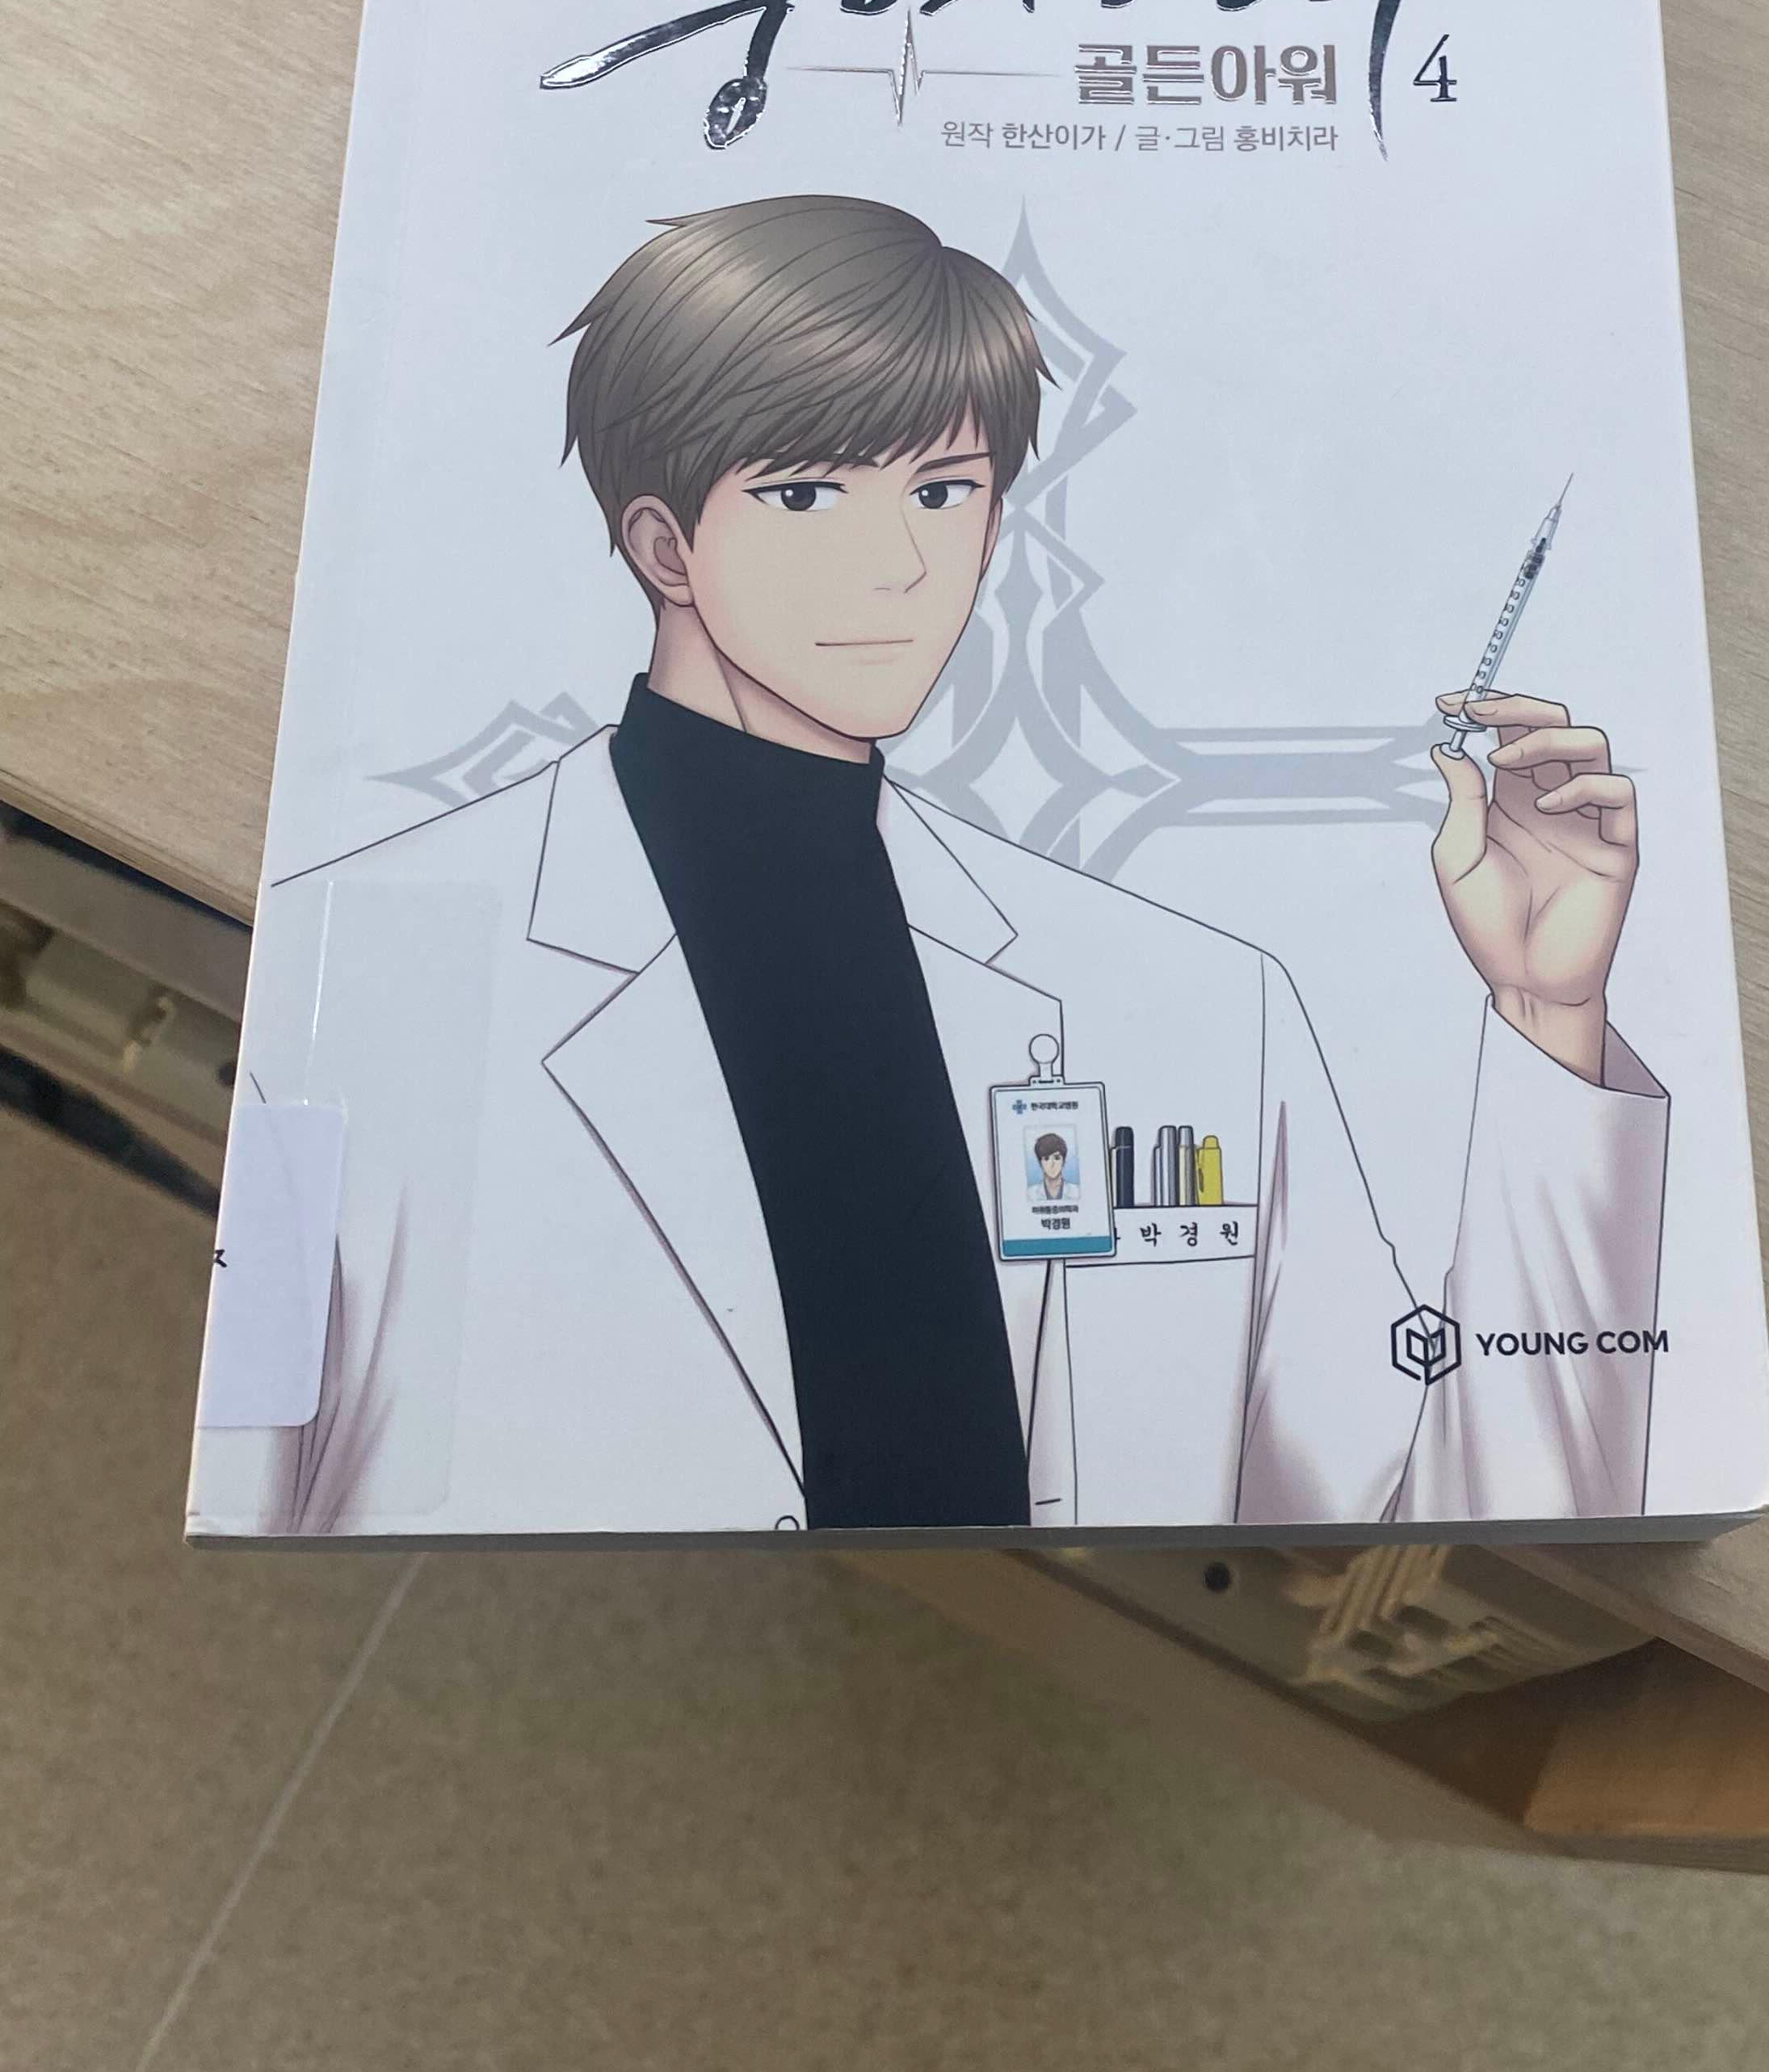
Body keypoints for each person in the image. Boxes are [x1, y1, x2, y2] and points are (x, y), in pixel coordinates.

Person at [191, 195, 1668, 1542]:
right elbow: (242, 1478)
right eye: (806, 495)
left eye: (945, 490)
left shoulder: (1204, 1010)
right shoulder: (350, 982)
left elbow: (1461, 1519)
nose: (900, 563)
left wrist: (1551, 1019)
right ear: (663, 544)